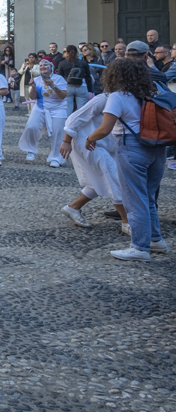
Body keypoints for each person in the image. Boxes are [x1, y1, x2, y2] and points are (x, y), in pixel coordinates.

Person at [84, 59, 167, 261]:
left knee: (134, 198)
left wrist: (90, 138)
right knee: (147, 196)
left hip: (132, 148)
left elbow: (105, 128)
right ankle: (155, 240)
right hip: (158, 148)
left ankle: (139, 247)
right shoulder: (155, 92)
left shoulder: (118, 96)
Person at [58, 92, 128, 231]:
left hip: (107, 144)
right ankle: (127, 222)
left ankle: (73, 207)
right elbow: (74, 118)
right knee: (113, 177)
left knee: (99, 179)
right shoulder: (103, 98)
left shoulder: (131, 97)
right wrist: (66, 141)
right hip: (87, 142)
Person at [19, 58, 68, 167]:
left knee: (57, 133)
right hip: (40, 107)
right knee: (31, 126)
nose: (43, 67)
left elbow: (63, 96)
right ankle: (30, 150)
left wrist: (52, 85)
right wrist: (33, 88)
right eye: (41, 65)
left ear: (51, 67)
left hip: (58, 109)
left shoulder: (59, 79)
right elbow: (33, 97)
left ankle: (56, 158)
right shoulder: (36, 79)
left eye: (45, 65)